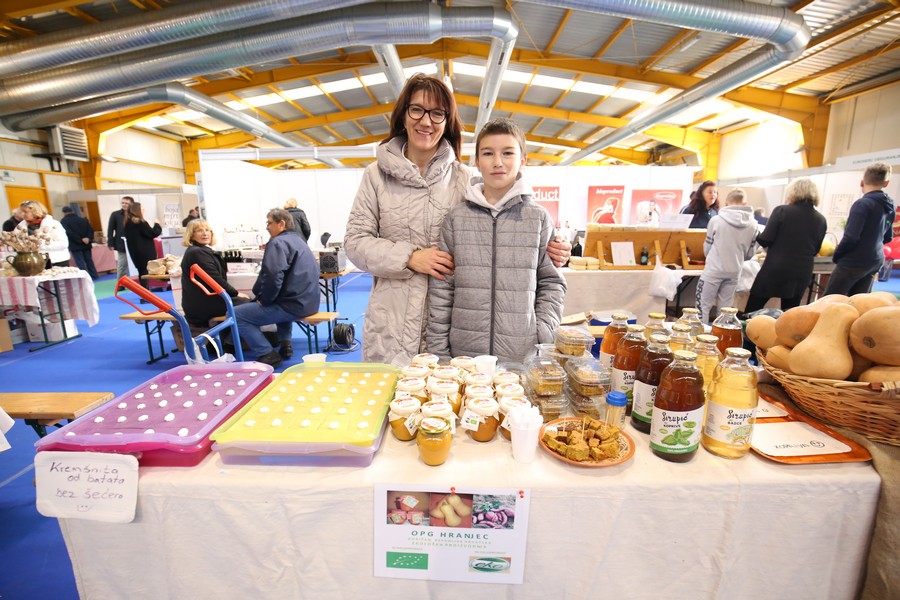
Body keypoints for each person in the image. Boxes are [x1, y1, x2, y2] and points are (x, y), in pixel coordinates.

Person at [344, 73, 570, 365]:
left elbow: (501, 222)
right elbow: (355, 242)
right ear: (403, 115)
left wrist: (553, 245)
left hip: (454, 331)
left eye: (437, 113)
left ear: (447, 121)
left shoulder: (464, 179)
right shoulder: (375, 176)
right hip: (394, 325)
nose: (426, 122)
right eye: (417, 110)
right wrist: (410, 256)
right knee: (395, 406)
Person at [426, 118, 566, 362]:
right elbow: (442, 288)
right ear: (477, 162)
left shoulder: (539, 218)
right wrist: (438, 351)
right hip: (465, 356)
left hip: (521, 355)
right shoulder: (456, 218)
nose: (498, 162)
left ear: (523, 160)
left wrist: (542, 332)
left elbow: (551, 283)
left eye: (508, 153)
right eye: (488, 153)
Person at [234, 208, 319, 367]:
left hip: (293, 305)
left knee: (237, 315)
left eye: (269, 223)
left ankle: (267, 353)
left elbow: (273, 276)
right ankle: (285, 344)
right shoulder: (299, 241)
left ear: (281, 224)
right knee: (278, 299)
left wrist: (264, 301)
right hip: (309, 303)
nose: (267, 227)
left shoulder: (277, 243)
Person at [743, 178, 827, 314]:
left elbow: (766, 239)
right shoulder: (821, 219)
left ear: (793, 192)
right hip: (802, 272)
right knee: (789, 315)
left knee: (752, 309)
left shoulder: (782, 211)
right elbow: (816, 249)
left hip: (776, 269)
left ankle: (745, 333)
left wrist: (755, 232)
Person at [824, 162, 895, 296]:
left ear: (862, 182)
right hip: (874, 260)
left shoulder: (862, 204)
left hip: (853, 262)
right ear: (886, 183)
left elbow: (851, 237)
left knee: (829, 301)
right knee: (857, 303)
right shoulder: (889, 206)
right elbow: (888, 237)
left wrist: (837, 255)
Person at [695, 188, 757, 323]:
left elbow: (707, 247)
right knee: (725, 311)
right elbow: (750, 254)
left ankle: (700, 339)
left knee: (702, 308)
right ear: (745, 203)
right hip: (735, 271)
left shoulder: (716, 220)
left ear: (726, 203)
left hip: (713, 269)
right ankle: (721, 340)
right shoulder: (753, 224)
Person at [180, 219, 250, 328]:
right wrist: (235, 293)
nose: (205, 233)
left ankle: (229, 340)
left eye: (208, 230)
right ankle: (230, 342)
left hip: (202, 301)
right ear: (191, 235)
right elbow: (215, 279)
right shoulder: (197, 252)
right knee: (249, 305)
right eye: (199, 230)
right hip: (203, 304)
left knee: (245, 303)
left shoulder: (199, 250)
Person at [15, 200, 69, 267]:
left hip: (56, 261)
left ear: (35, 211)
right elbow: (17, 243)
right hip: (34, 262)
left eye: (25, 212)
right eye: (21, 212)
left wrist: (41, 246)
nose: (22, 214)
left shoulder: (53, 224)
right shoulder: (20, 226)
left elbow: (63, 243)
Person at [123, 202, 162, 290]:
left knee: (141, 272)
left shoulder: (127, 223)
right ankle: (145, 294)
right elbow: (153, 233)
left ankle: (144, 292)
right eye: (141, 209)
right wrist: (157, 224)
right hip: (145, 251)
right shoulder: (140, 223)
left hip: (134, 252)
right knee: (145, 271)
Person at [60, 206, 99, 279]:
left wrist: (80, 240)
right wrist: (88, 238)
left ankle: (85, 278)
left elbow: (69, 233)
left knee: (80, 262)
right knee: (89, 260)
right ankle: (94, 275)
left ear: (64, 213)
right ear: (72, 211)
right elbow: (90, 230)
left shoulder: (63, 221)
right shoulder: (83, 220)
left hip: (75, 245)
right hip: (86, 244)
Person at [107, 196, 132, 278]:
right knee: (122, 263)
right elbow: (110, 229)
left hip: (133, 242)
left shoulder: (134, 214)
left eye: (126, 203)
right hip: (121, 243)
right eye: (123, 203)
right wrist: (110, 242)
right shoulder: (115, 215)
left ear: (131, 204)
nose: (124, 205)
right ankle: (121, 282)